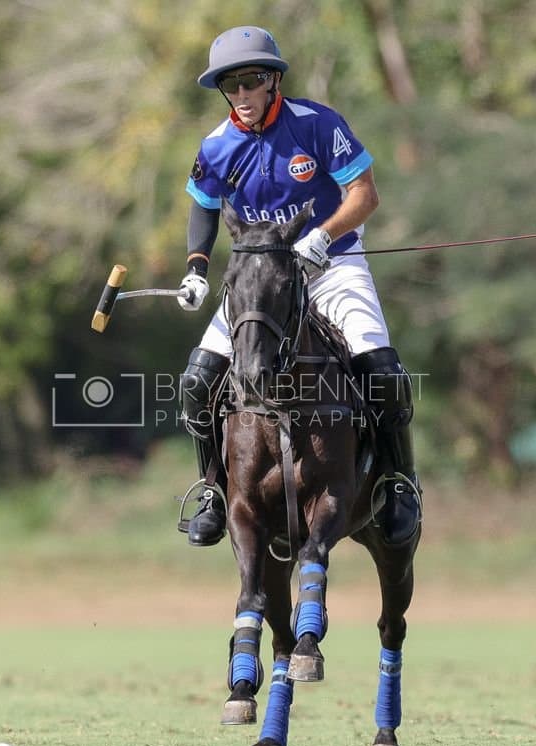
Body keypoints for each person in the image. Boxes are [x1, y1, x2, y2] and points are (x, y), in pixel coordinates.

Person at [177, 25, 420, 547]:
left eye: (251, 80)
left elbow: (365, 194)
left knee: (382, 367)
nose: (241, 94)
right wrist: (197, 267)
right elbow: (202, 205)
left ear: (273, 80)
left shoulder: (315, 124)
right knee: (197, 381)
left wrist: (323, 235)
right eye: (231, 85)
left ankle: (399, 483)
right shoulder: (217, 147)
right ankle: (213, 490)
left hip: (331, 266)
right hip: (258, 281)